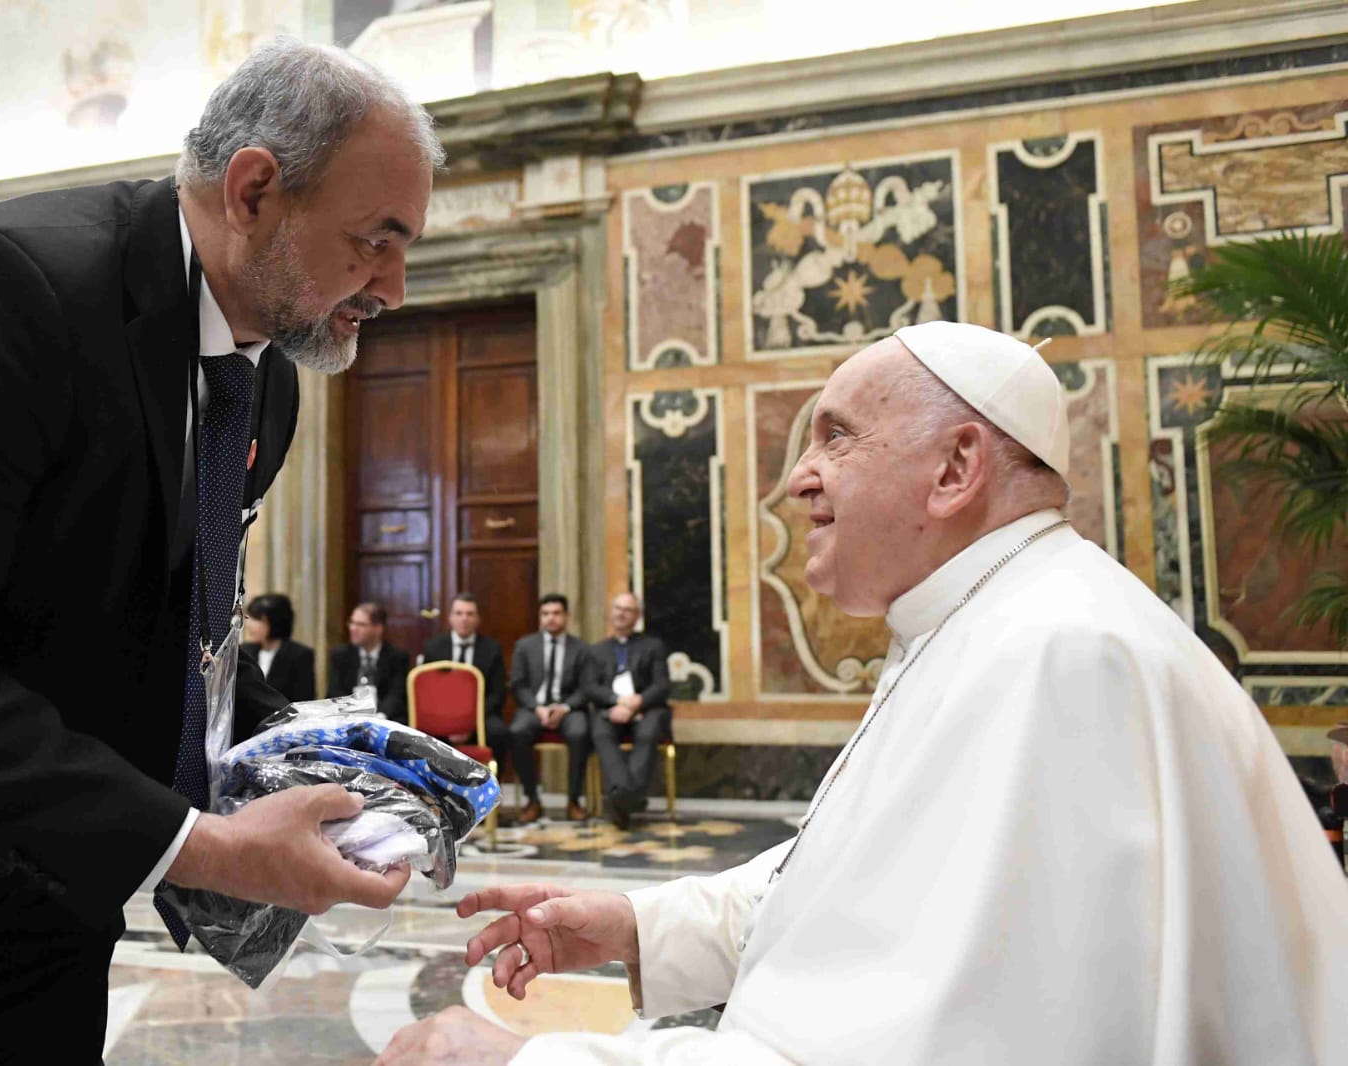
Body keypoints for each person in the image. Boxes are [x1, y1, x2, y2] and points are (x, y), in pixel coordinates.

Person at [376, 321, 1348, 1065]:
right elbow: (854, 885)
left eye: (833, 438)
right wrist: (639, 925)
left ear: (956, 467)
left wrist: (526, 1058)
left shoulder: (1057, 659)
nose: (795, 480)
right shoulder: (987, 622)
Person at [0, 37, 439, 1063]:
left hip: (45, 864)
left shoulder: (269, 380)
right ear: (254, 191)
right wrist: (204, 848)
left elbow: (165, 614)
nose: (393, 284)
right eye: (376, 239)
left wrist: (316, 756)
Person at [585, 592, 670, 830]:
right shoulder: (596, 650)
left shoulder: (653, 646)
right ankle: (629, 795)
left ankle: (620, 796)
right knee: (600, 731)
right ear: (611, 614)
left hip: (646, 708)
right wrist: (616, 701)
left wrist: (637, 702)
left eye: (628, 610)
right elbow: (591, 687)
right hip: (610, 710)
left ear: (637, 616)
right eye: (618, 608)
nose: (622, 613)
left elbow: (661, 685)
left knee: (649, 730)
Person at [507, 594, 593, 824]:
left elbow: (586, 688)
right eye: (546, 614)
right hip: (534, 708)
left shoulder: (581, 649)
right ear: (540, 617)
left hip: (569, 709)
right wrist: (537, 708)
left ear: (566, 616)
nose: (551, 618)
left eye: (556, 613)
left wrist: (564, 708)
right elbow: (518, 684)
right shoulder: (525, 646)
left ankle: (574, 800)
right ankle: (532, 799)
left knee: (580, 732)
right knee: (517, 731)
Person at [420, 593, 508, 761]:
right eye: (459, 613)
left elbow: (497, 694)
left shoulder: (492, 649)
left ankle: (494, 784)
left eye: (469, 614)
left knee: (500, 733)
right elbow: (428, 693)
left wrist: (468, 721)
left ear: (478, 619)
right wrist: (450, 721)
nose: (464, 619)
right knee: (417, 736)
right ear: (450, 618)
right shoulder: (434, 647)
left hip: (480, 715)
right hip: (440, 714)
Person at [328, 600, 412, 723]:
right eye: (352, 623)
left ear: (378, 628)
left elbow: (397, 695)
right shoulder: (340, 655)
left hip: (384, 719)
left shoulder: (397, 657)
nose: (353, 628)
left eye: (360, 624)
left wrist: (380, 717)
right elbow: (335, 692)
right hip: (347, 719)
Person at [240, 592, 316, 711]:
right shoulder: (245, 650)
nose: (249, 625)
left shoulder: (300, 655)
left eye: (257, 619)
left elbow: (303, 701)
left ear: (273, 622)